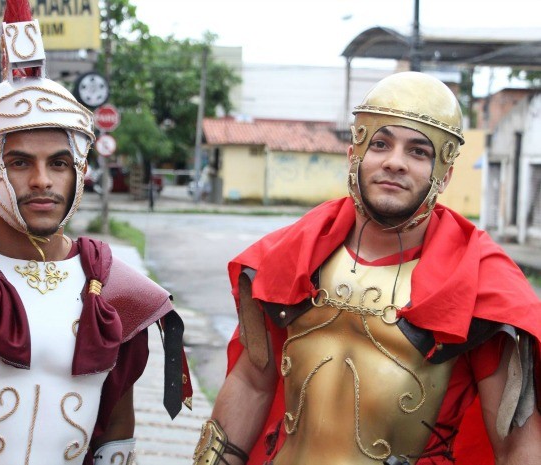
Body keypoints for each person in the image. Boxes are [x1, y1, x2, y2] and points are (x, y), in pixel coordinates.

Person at [193, 71, 541, 465]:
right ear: (354, 154)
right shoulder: (294, 256)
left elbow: (516, 444)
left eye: (418, 151)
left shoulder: (481, 281)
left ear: (444, 175)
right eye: (380, 144)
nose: (394, 162)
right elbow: (252, 383)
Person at [0, 3, 191, 464]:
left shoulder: (116, 289)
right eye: (20, 162)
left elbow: (115, 431)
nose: (43, 180)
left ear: (80, 172)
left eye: (59, 164)